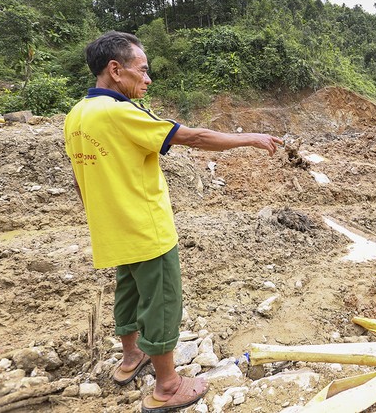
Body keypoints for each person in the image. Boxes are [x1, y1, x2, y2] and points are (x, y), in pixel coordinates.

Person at [64, 31, 282, 412]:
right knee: (161, 301)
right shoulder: (121, 112)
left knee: (128, 293)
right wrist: (250, 137)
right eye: (142, 71)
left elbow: (79, 177)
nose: (147, 80)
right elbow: (193, 138)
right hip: (146, 228)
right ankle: (167, 385)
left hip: (112, 229)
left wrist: (100, 217)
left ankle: (131, 358)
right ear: (115, 70)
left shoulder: (76, 115)